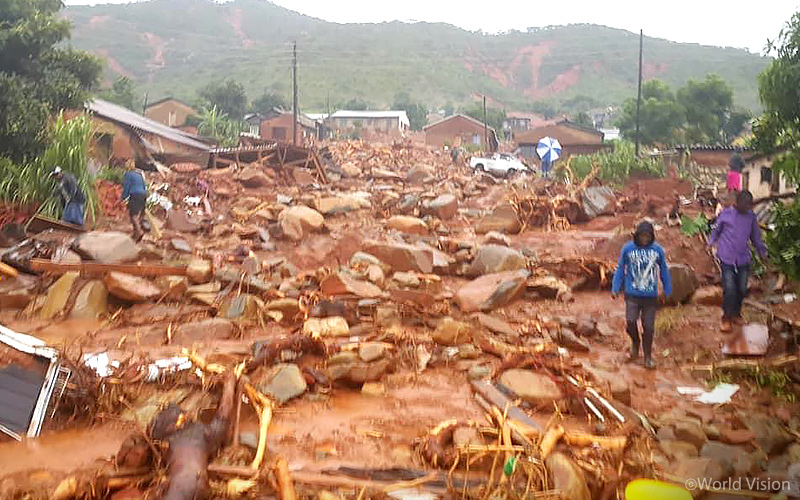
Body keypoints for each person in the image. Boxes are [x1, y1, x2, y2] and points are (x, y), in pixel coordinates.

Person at [611, 221, 672, 369]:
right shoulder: (628, 249)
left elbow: (664, 270)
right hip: (632, 293)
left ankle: (648, 357)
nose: (644, 239)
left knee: (649, 327)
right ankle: (635, 342)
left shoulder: (657, 250)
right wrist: (615, 287)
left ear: (651, 236)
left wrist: (667, 289)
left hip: (650, 296)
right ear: (637, 235)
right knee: (631, 321)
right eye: (642, 236)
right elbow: (620, 269)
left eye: (647, 236)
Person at [707, 190, 767, 332]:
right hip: (726, 257)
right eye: (746, 204)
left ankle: (736, 314)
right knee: (729, 288)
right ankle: (726, 318)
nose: (748, 207)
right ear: (737, 203)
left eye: (749, 205)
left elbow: (756, 237)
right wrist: (710, 242)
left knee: (741, 288)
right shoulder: (726, 214)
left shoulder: (751, 217)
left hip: (743, 259)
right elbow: (716, 231)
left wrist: (762, 253)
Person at [122, 160, 148, 241]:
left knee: (133, 215)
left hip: (135, 195)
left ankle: (139, 232)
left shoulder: (128, 174)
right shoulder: (139, 175)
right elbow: (144, 185)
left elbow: (127, 186)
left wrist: (124, 197)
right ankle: (135, 233)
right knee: (140, 215)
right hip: (143, 195)